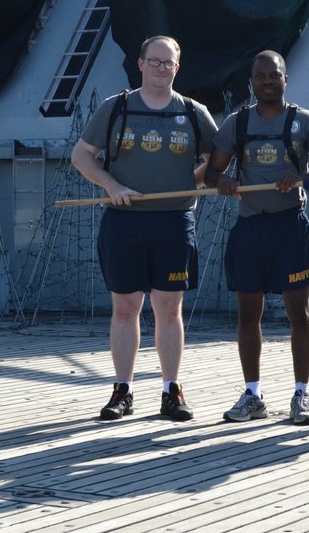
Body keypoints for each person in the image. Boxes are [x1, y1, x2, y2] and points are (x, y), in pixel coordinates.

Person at [71, 36, 218, 422]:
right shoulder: (116, 108)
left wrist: (192, 184)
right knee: (125, 307)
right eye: (154, 61)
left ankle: (172, 390)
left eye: (168, 64)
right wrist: (112, 185)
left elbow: (216, 161)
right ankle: (123, 390)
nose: (160, 69)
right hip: (125, 221)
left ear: (177, 68)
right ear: (140, 63)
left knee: (169, 309)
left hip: (174, 222)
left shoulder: (192, 111)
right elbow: (81, 155)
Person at [204, 51, 309, 425]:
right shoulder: (237, 123)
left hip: (290, 227)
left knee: (299, 313)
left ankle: (301, 394)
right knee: (248, 315)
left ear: (285, 80)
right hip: (249, 229)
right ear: (251, 82)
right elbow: (212, 174)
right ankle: (253, 394)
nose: (266, 81)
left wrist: (302, 179)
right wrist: (224, 181)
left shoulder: (304, 121)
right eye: (259, 76)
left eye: (273, 75)